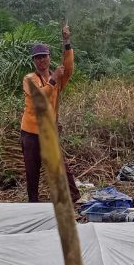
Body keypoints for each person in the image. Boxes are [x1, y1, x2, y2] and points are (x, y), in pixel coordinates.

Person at [20, 23, 79, 203]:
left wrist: (66, 41)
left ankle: (73, 196)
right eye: (37, 58)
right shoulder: (29, 79)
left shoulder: (57, 77)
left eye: (44, 57)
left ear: (48, 58)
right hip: (30, 133)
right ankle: (33, 202)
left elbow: (68, 68)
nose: (41, 60)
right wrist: (53, 80)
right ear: (34, 61)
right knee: (32, 169)